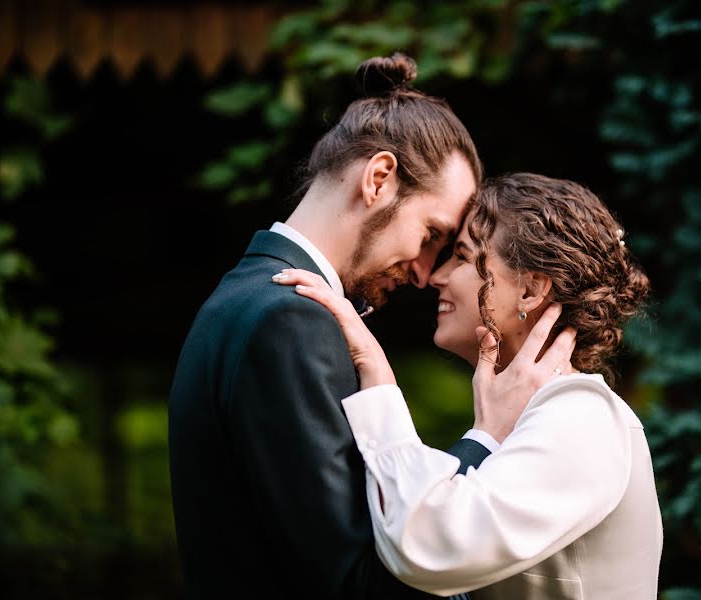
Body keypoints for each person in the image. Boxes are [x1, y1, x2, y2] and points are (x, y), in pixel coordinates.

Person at [168, 52, 574, 599]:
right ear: (379, 178)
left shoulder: (240, 299)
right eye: (432, 234)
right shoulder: (289, 320)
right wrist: (486, 440)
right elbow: (358, 583)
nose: (426, 273)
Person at [275, 173, 664, 599]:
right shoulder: (537, 416)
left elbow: (427, 545)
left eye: (461, 256)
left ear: (531, 290)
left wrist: (380, 383)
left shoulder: (583, 417)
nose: (435, 276)